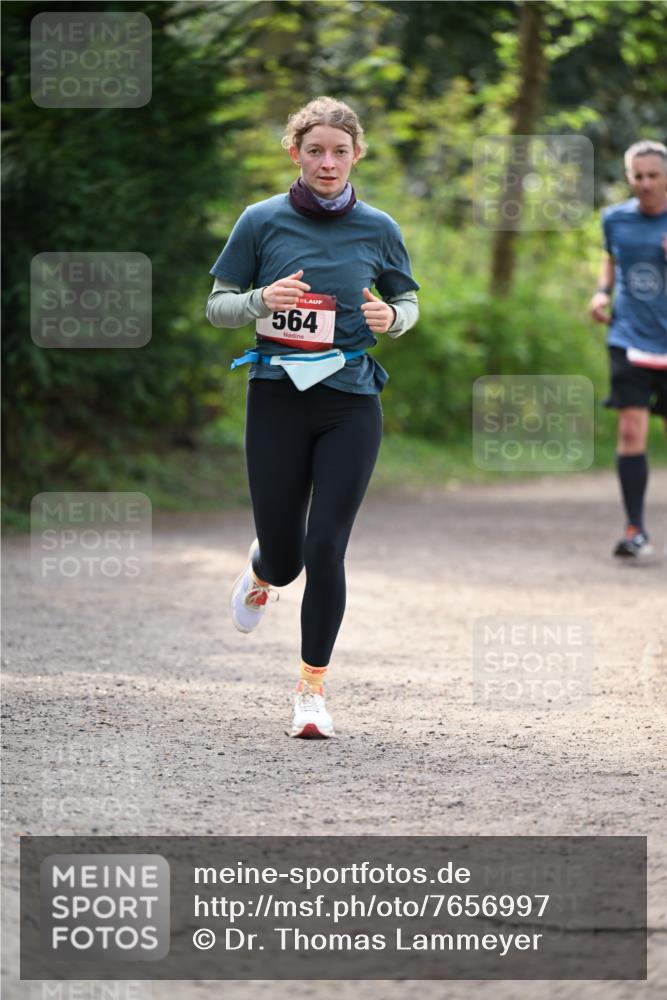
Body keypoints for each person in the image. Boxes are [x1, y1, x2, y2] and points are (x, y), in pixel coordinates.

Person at [206, 97, 419, 737]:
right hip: (275, 396)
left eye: (340, 151)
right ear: (295, 152)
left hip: (350, 398)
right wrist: (258, 300)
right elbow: (216, 307)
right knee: (287, 558)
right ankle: (264, 568)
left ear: (357, 156)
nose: (328, 162)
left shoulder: (379, 226)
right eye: (315, 150)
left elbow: (407, 300)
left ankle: (312, 693)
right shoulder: (260, 221)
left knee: (326, 547)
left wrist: (393, 317)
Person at [589, 139, 667, 559]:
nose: (646, 183)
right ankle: (635, 527)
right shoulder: (615, 219)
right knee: (631, 429)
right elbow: (610, 259)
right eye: (638, 176)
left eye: (653, 175)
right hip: (630, 336)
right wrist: (602, 293)